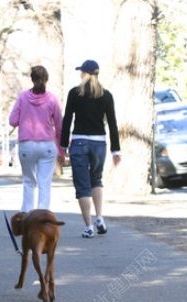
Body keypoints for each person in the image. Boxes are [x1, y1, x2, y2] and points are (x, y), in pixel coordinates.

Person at [60, 60, 121, 238]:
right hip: (99, 143)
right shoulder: (106, 95)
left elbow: (67, 120)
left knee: (82, 186)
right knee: (96, 180)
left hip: (79, 142)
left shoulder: (74, 93)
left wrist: (63, 146)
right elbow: (112, 123)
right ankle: (99, 218)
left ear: (84, 74)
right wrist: (116, 151)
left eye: (81, 72)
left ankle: (88, 226)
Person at [9, 65, 63, 212]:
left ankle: (26, 215)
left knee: (28, 182)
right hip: (47, 145)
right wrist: (61, 150)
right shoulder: (52, 99)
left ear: (32, 79)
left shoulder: (23, 97)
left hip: (27, 145)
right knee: (44, 183)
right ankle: (42, 218)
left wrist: (24, 117)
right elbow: (59, 126)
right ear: (47, 80)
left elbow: (12, 121)